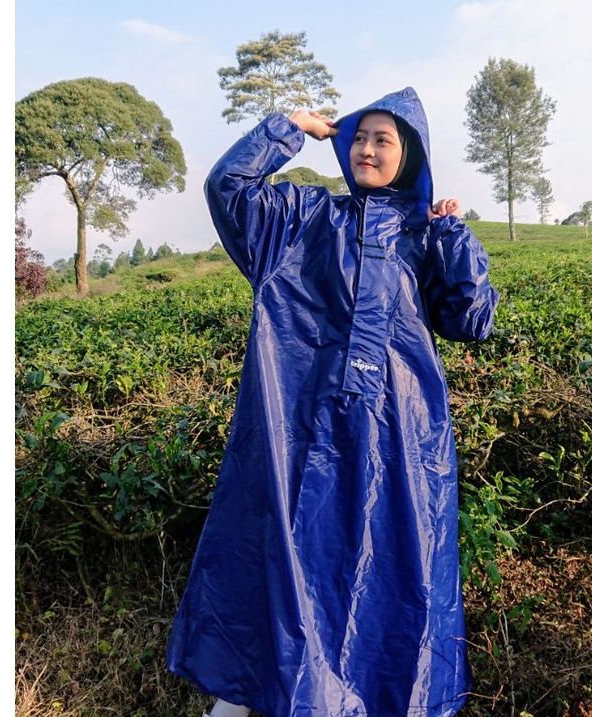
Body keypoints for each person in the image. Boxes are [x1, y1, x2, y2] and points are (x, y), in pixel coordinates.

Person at [166, 87, 499, 717]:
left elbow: (472, 318)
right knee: (282, 564)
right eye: (360, 137)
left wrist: (453, 236)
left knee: (391, 580)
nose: (368, 149)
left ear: (410, 154)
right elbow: (228, 187)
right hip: (298, 433)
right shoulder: (302, 219)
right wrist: (287, 127)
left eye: (384, 140)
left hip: (399, 445)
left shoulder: (423, 236)